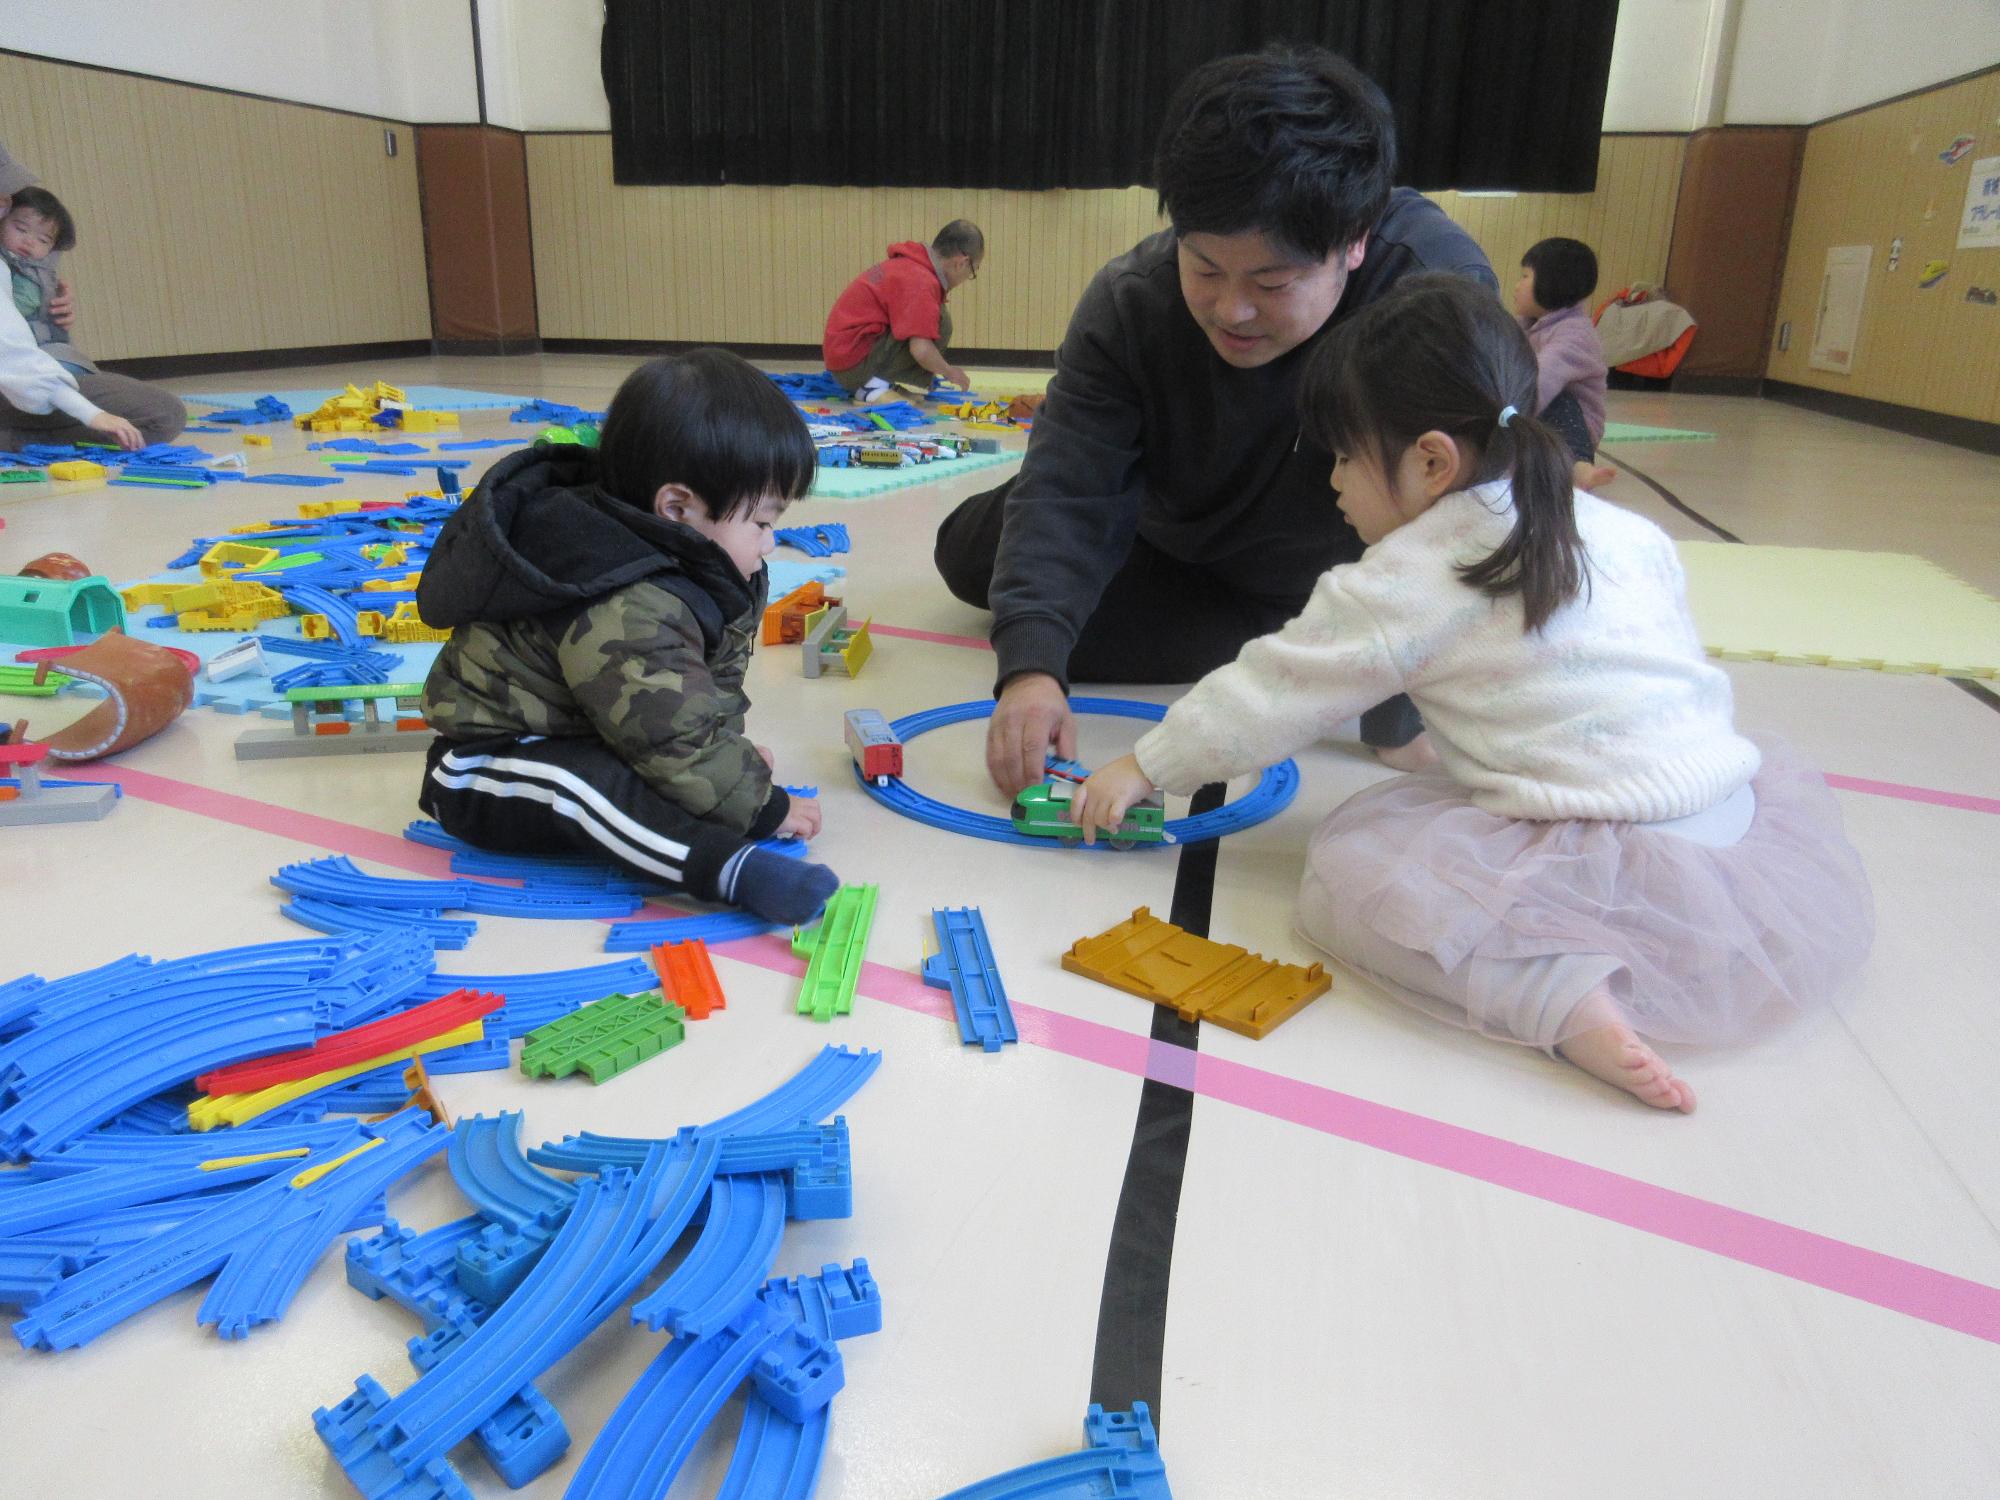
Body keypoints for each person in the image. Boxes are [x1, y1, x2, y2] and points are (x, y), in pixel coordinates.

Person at [1066, 275, 1872, 1113]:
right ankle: (1691, 947)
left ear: (1431, 461)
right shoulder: (1622, 529)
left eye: (1344, 455)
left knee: (1345, 880)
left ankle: (1554, 997)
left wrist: (1144, 765)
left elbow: (1273, 690)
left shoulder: (1410, 576)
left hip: (1599, 833)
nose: (1335, 482)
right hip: (1732, 827)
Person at [934, 45, 1498, 798]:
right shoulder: (1132, 297)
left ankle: (1299, 644)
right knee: (983, 563)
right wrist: (1031, 671)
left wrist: (1404, 696)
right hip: (1165, 537)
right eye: (1203, 267)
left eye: (1272, 281)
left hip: (1319, 581)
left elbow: (1465, 520)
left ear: (1355, 243)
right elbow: (1070, 481)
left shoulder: (1433, 299)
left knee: (1094, 621)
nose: (1231, 309)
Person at [414, 348, 840, 925]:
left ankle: (706, 812)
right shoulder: (626, 601)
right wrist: (758, 806)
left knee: (674, 774)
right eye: (762, 522)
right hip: (485, 764)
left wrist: (726, 768)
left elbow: (698, 698)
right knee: (585, 790)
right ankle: (726, 870)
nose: (769, 543)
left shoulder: (706, 566)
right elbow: (672, 736)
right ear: (677, 508)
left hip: (598, 729)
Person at [0, 173, 186, 451]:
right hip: (22, 376)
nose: (28, 243)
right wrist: (93, 414)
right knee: (162, 415)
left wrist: (51, 307)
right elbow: (11, 351)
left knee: (158, 412)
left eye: (42, 239)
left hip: (35, 370)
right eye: (20, 228)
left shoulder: (36, 272)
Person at [823, 220, 982, 401]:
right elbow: (920, 349)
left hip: (845, 355)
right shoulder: (921, 281)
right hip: (851, 364)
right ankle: (868, 386)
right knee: (941, 322)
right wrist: (949, 371)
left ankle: (879, 381)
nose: (967, 277)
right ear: (961, 263)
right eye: (972, 271)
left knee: (936, 318)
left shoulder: (912, 265)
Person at [1512, 236, 1615, 491]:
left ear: (1551, 284)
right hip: (1532, 421)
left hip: (1572, 429)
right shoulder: (1525, 325)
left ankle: (1577, 467)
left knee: (1559, 401)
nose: (1516, 286)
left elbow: (1540, 383)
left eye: (1525, 277)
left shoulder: (1575, 334)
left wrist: (1500, 414)